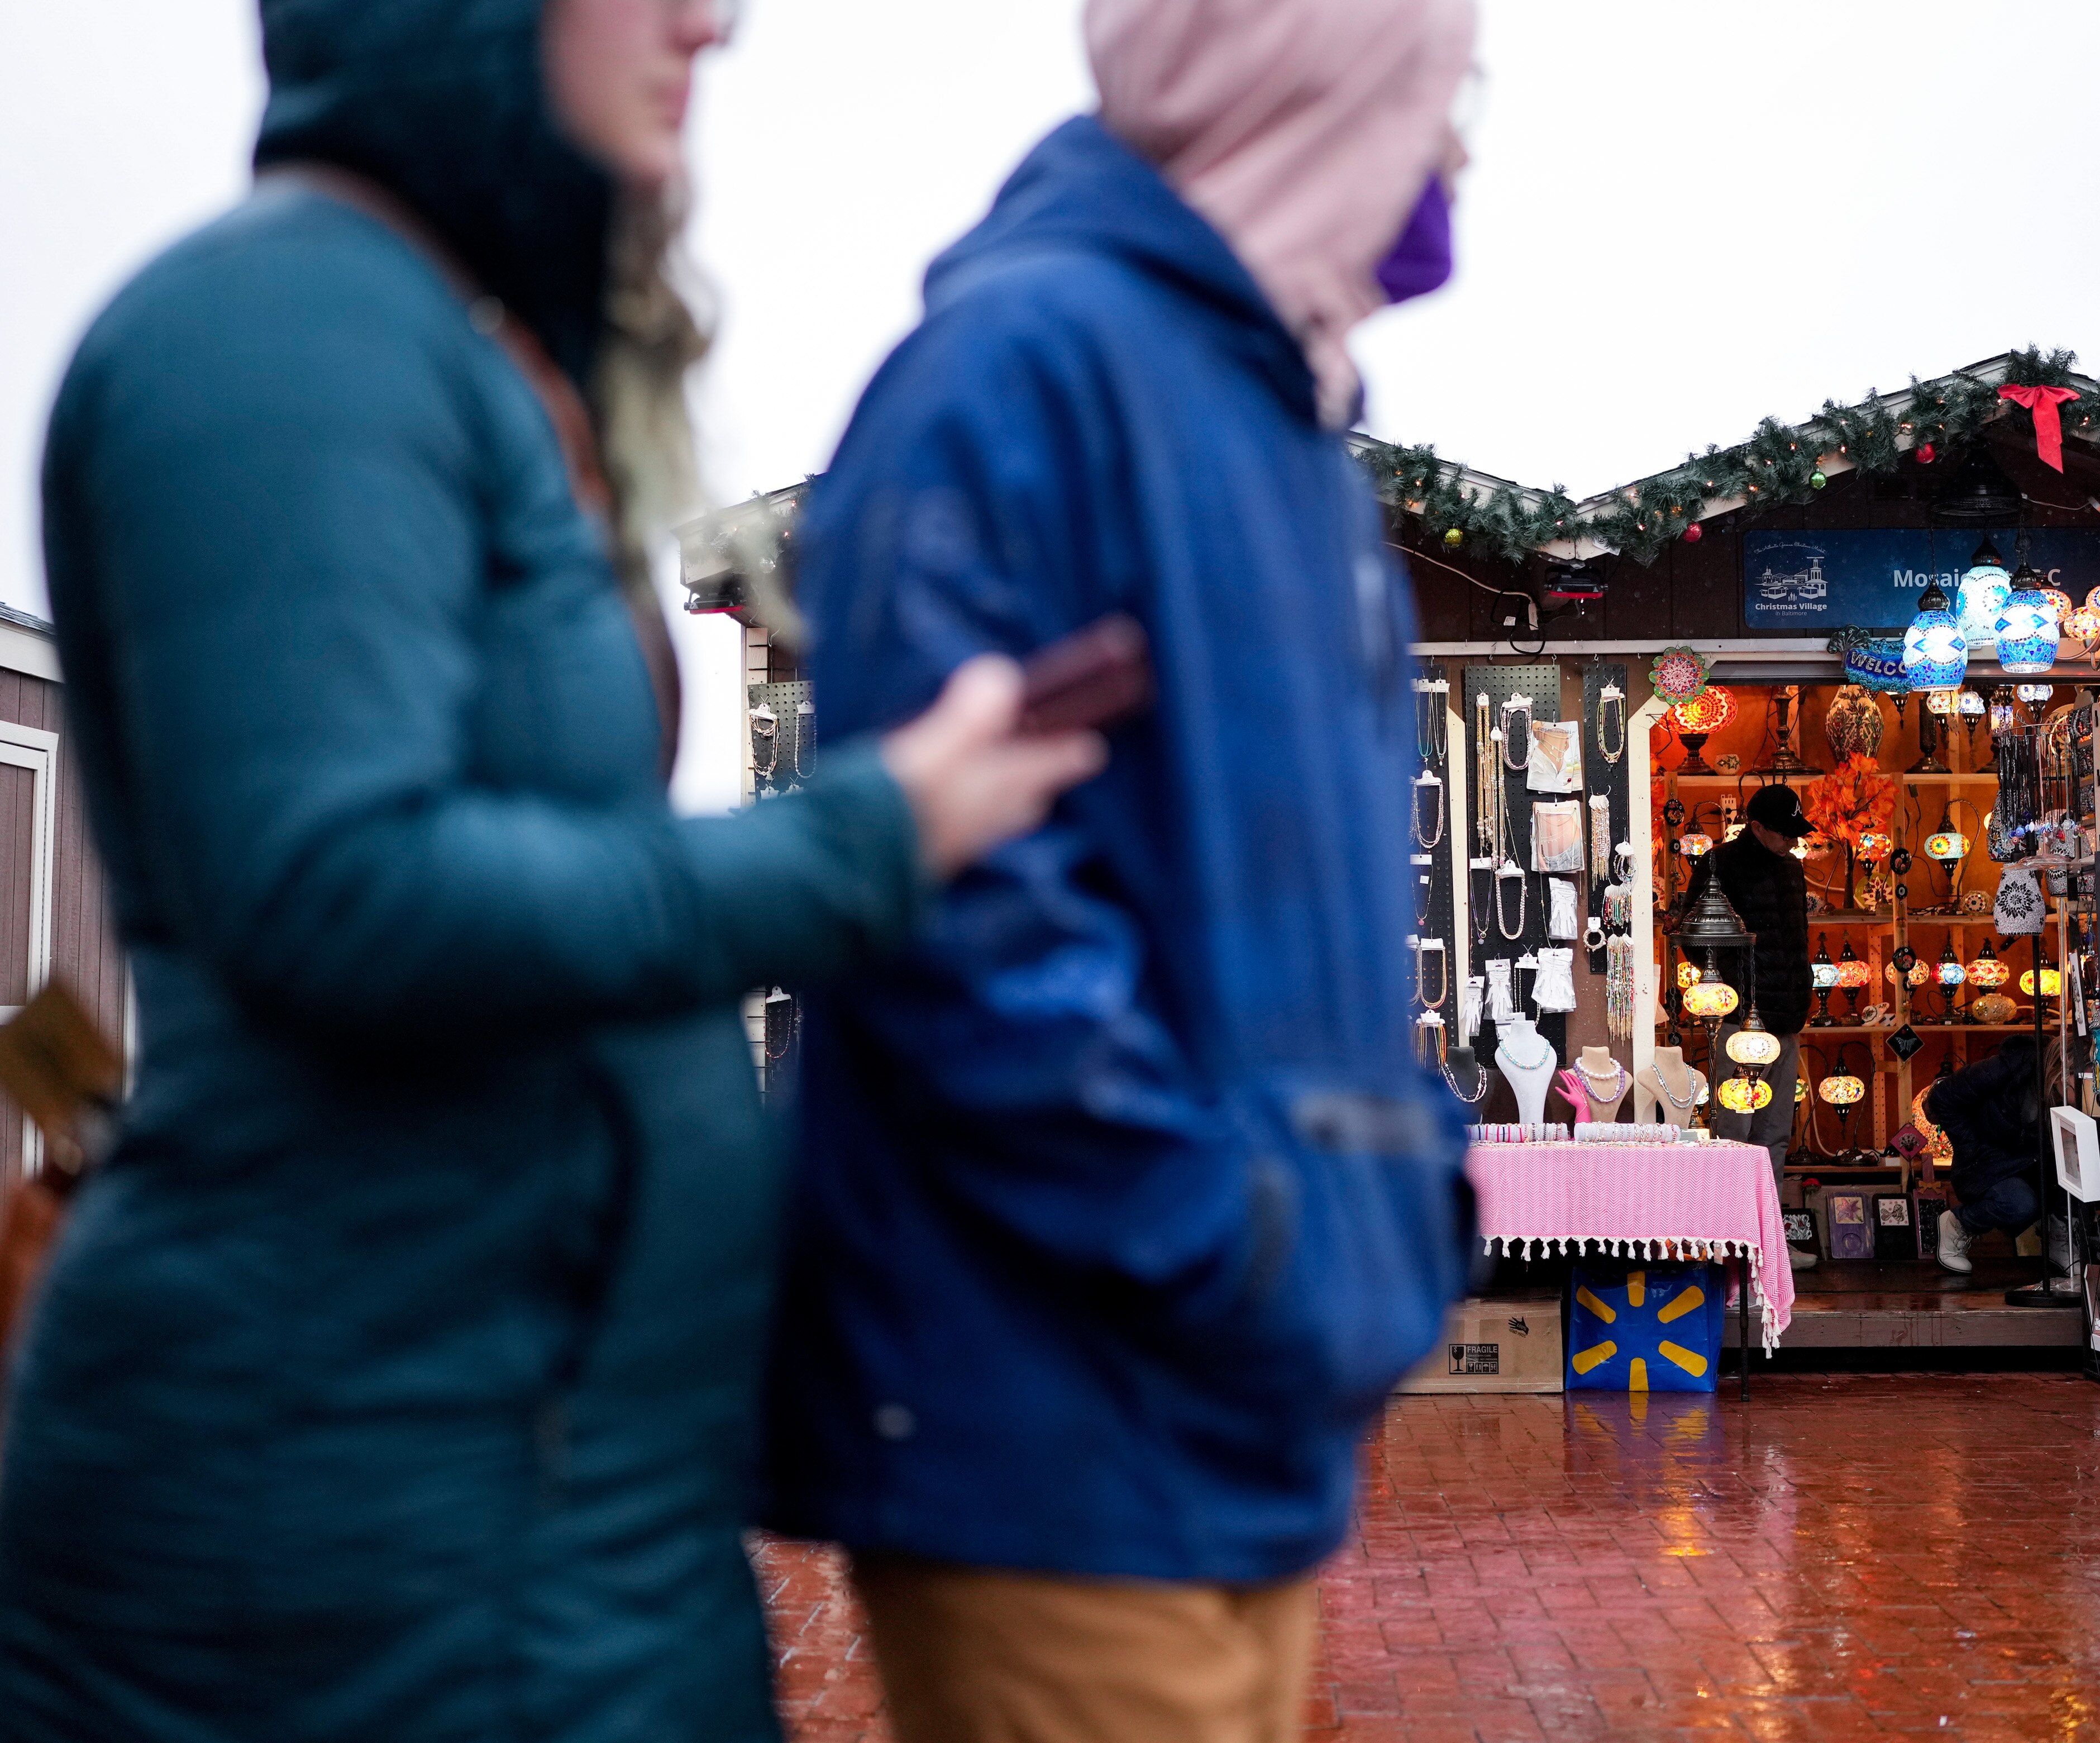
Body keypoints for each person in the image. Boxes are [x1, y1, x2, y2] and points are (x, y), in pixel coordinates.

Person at [0, 3, 1100, 1739]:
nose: (710, 19)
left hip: (549, 1523)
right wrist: (866, 837)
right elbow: (337, 890)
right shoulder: (275, 326)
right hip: (347, 1552)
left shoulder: (461, 345)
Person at [760, 2, 1478, 1737]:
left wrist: (1396, 1189)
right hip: (1052, 1412)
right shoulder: (1015, 380)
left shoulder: (1290, 436)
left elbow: (1306, 939)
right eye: (1438, 90)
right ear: (1316, 78)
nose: (1460, 149)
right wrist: (1246, 1235)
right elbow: (963, 920)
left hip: (1237, 1402)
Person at [1683, 783, 1818, 1265]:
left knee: (1776, 1132)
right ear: (1757, 827)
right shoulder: (1720, 863)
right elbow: (1693, 937)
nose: (1791, 841)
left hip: (1787, 1018)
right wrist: (1733, 981)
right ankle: (1725, 1239)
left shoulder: (1792, 869)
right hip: (1741, 1020)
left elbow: (1798, 939)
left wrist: (1801, 994)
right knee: (1733, 1131)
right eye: (1784, 833)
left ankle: (1767, 1245)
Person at [1925, 1035, 2050, 1274]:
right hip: (1990, 1160)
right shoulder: (2010, 1066)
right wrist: (1970, 1146)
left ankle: (2059, 1236)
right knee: (2019, 1205)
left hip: (2037, 1163)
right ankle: (1959, 1224)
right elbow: (1942, 1098)